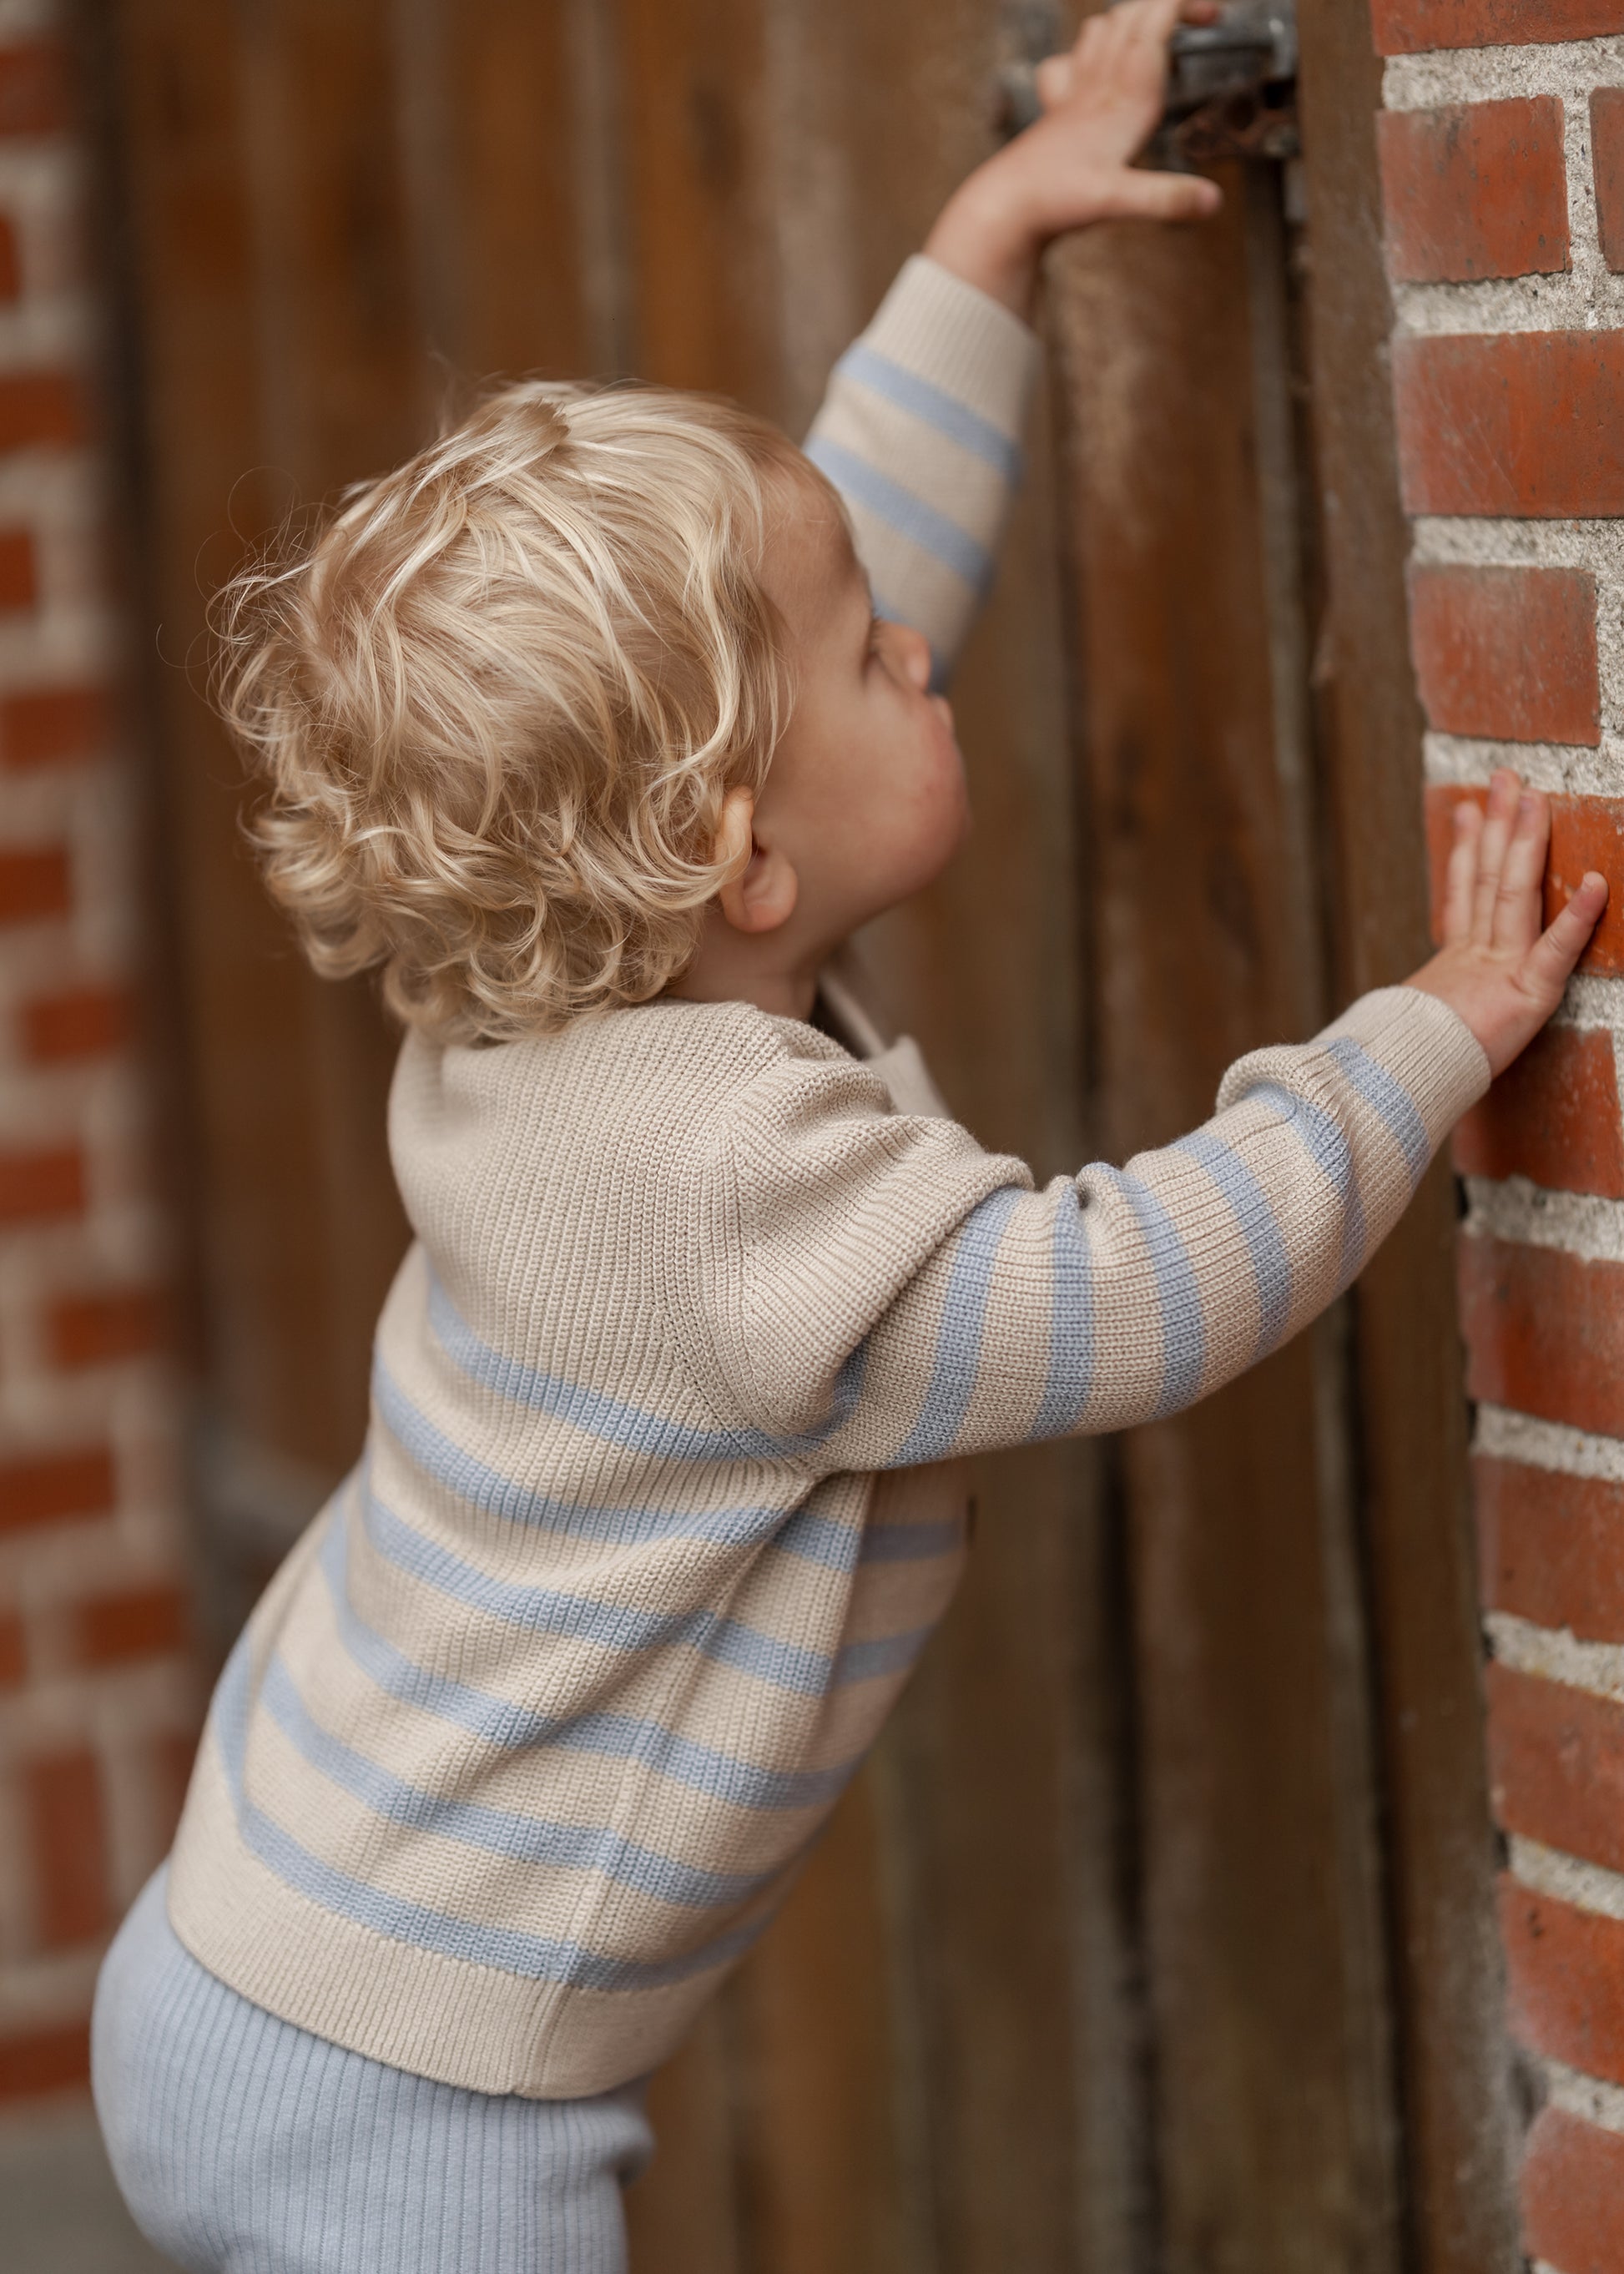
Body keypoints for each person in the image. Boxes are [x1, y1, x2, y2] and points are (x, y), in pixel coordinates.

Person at [92, 4, 1606, 2269]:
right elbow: (1116, 1292)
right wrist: (1420, 1034)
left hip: (256, 1942)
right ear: (744, 855)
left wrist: (984, 246)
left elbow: (835, 562)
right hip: (409, 2108)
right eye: (877, 656)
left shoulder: (563, 986)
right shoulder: (720, 1180)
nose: (916, 647)